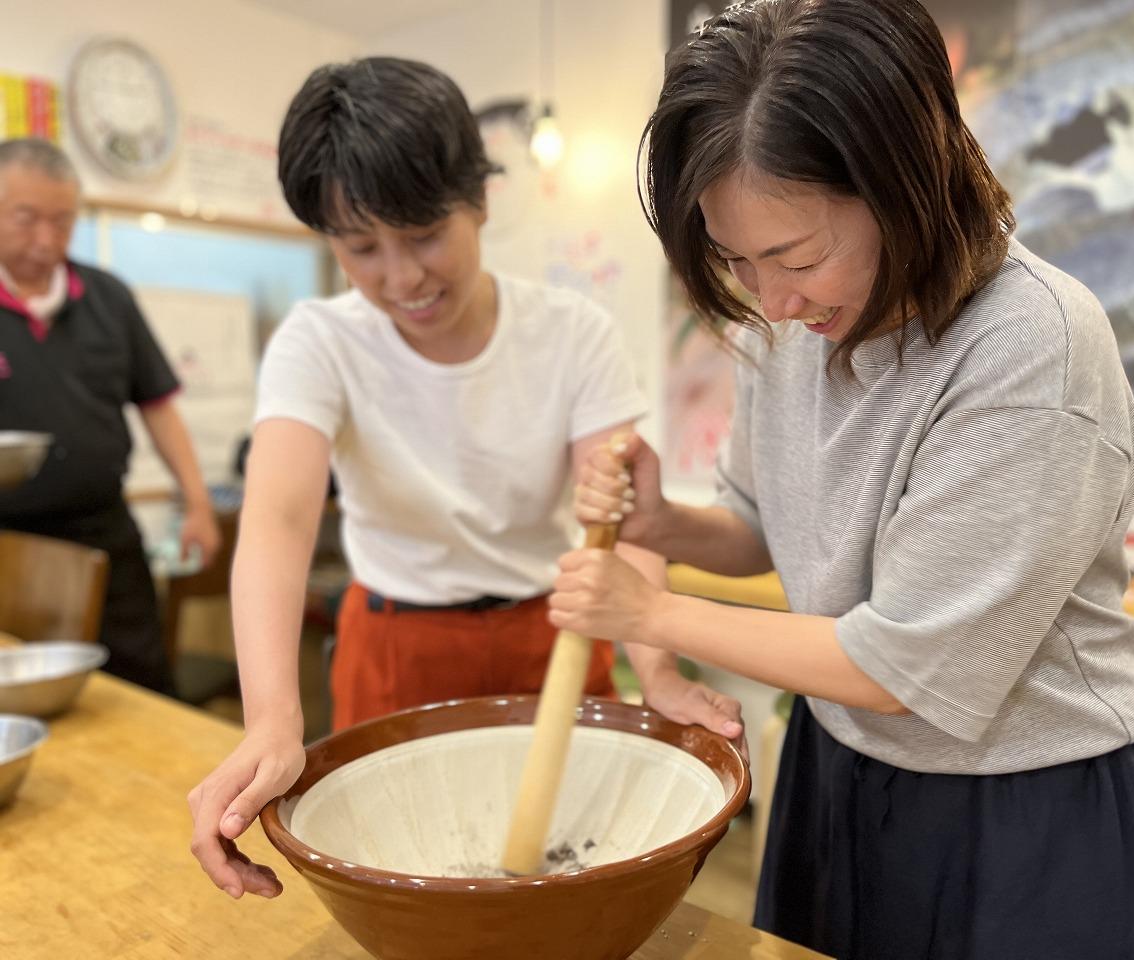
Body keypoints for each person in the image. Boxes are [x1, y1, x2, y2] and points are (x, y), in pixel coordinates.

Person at [552, 2, 1134, 957]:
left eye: (798, 257)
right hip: (840, 765)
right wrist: (668, 526)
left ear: (909, 186)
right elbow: (764, 524)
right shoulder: (789, 326)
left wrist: (652, 617)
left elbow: (905, 667)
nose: (771, 300)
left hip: (1027, 804)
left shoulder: (1030, 349)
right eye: (737, 260)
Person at [187, 57, 744, 901]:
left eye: (423, 235)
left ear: (478, 201)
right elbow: (279, 521)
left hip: (549, 639)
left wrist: (658, 672)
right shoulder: (319, 342)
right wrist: (270, 715)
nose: (401, 277)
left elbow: (614, 520)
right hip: (394, 650)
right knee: (412, 891)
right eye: (361, 249)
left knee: (580, 881)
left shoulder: (570, 334)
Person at [0, 138, 220, 693]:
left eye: (62, 221)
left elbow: (159, 407)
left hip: (105, 534)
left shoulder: (108, 297)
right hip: (7, 545)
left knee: (141, 682)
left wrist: (196, 502)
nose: (46, 239)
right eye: (25, 219)